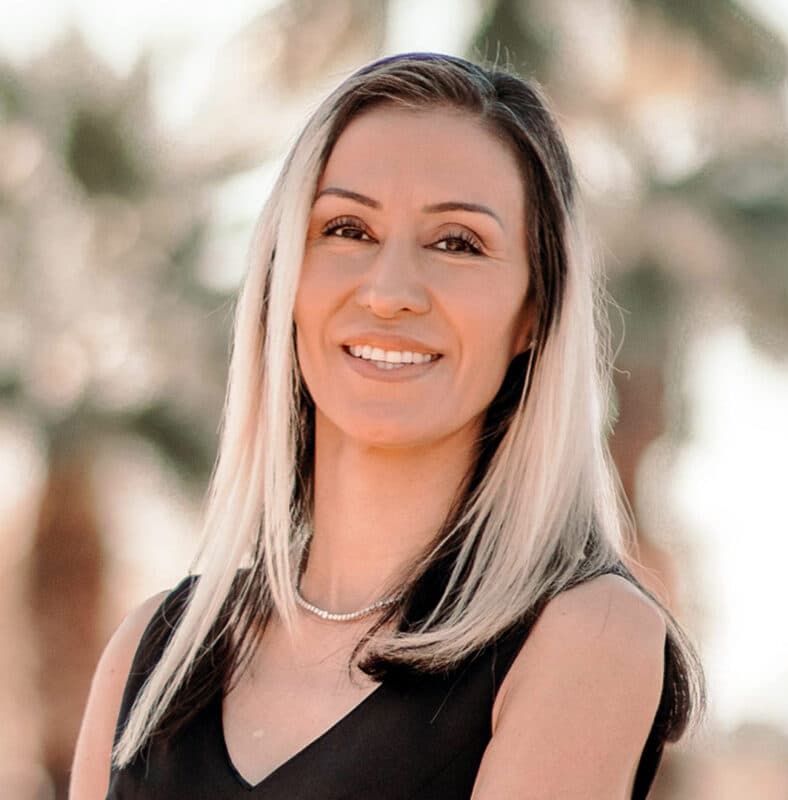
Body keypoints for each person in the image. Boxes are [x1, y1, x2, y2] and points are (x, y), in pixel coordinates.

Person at [70, 53, 705, 799]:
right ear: (285, 280)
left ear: (534, 314)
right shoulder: (151, 656)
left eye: (457, 243)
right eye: (347, 229)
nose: (391, 291)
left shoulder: (585, 637)